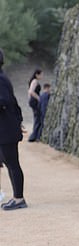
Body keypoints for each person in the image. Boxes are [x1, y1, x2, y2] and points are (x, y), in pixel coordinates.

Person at [0, 48, 28, 210]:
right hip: (6, 128)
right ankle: (16, 197)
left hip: (6, 129)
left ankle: (19, 198)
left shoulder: (1, 80)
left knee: (13, 163)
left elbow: (4, 101)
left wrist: (17, 122)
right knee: (10, 163)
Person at [27, 68, 43, 142]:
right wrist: (38, 98)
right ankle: (34, 136)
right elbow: (31, 91)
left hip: (32, 101)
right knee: (38, 118)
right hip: (34, 101)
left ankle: (35, 135)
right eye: (41, 74)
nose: (42, 76)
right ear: (37, 74)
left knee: (37, 117)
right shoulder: (35, 81)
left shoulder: (33, 81)